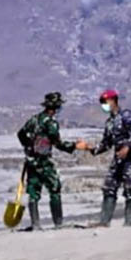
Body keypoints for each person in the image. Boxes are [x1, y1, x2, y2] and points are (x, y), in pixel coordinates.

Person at [16, 92, 85, 231]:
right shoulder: (51, 123)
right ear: (56, 107)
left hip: (31, 161)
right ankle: (58, 223)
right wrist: (74, 146)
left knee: (33, 192)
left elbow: (21, 134)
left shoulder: (34, 119)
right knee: (54, 188)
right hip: (43, 161)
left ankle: (36, 224)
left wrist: (29, 148)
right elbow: (57, 143)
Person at [89, 89, 131, 227]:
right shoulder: (109, 123)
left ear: (113, 101)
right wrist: (91, 149)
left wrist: (127, 147)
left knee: (130, 189)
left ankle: (129, 221)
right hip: (118, 159)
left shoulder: (126, 115)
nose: (104, 105)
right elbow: (106, 143)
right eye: (102, 103)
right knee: (109, 187)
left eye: (105, 102)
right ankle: (104, 220)